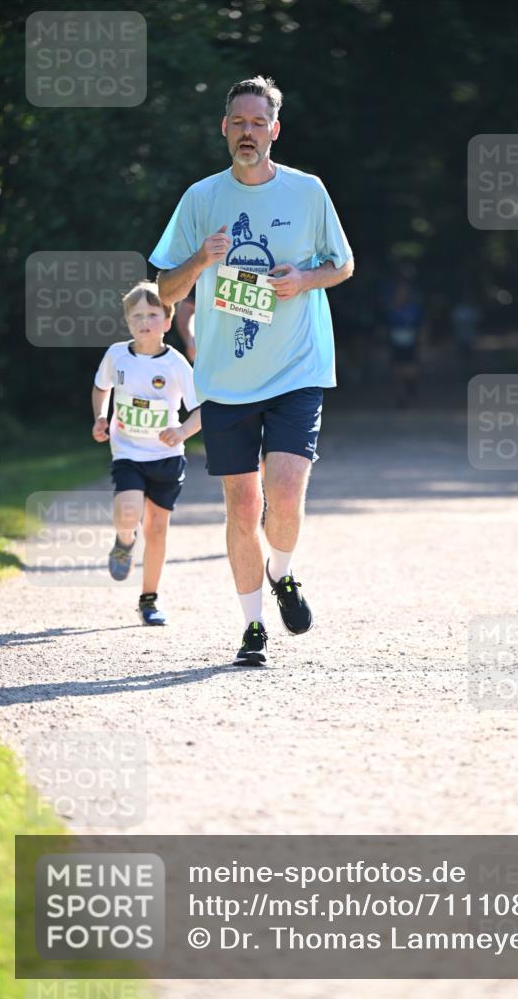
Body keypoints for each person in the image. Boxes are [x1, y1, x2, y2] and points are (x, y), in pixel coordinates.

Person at [150, 75, 354, 665]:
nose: (247, 132)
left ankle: (282, 574)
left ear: (275, 130)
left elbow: (342, 264)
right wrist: (200, 258)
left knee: (284, 494)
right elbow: (165, 291)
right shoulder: (200, 199)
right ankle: (252, 628)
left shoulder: (308, 192)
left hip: (296, 368)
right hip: (226, 378)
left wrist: (304, 280)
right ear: (224, 128)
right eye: (237, 122)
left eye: (257, 123)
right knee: (241, 505)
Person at [92, 281, 201, 625]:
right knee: (128, 510)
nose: (145, 322)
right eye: (137, 315)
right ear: (127, 322)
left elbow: (202, 410)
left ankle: (149, 600)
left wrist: (182, 430)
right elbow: (101, 388)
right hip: (128, 452)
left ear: (168, 322)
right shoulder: (116, 356)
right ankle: (124, 541)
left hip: (166, 458)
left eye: (153, 315)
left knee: (157, 529)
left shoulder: (176, 364)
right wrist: (100, 416)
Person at [383, 270, 424, 407]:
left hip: (410, 344)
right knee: (397, 371)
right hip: (395, 344)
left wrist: (421, 339)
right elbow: (385, 327)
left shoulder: (413, 309)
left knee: (410, 370)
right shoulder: (390, 310)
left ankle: (411, 387)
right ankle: (401, 398)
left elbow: (421, 325)